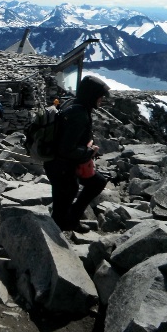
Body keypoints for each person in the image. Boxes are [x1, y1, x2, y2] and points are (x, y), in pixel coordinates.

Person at [44, 75, 110, 233]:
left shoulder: (75, 105)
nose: (101, 100)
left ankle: (72, 219)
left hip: (60, 165)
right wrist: (90, 151)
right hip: (61, 168)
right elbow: (66, 149)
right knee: (60, 213)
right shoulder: (79, 114)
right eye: (99, 97)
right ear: (91, 96)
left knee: (96, 182)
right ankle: (54, 241)